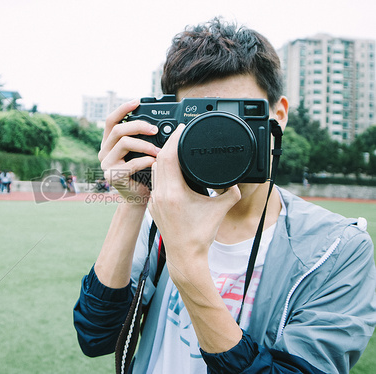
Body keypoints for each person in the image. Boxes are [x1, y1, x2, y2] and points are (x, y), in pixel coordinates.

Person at [73, 18, 376, 374]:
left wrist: (186, 264)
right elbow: (96, 337)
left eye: (235, 115)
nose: (218, 135)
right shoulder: (162, 214)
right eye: (201, 117)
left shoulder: (337, 249)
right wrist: (135, 199)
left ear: (277, 115)